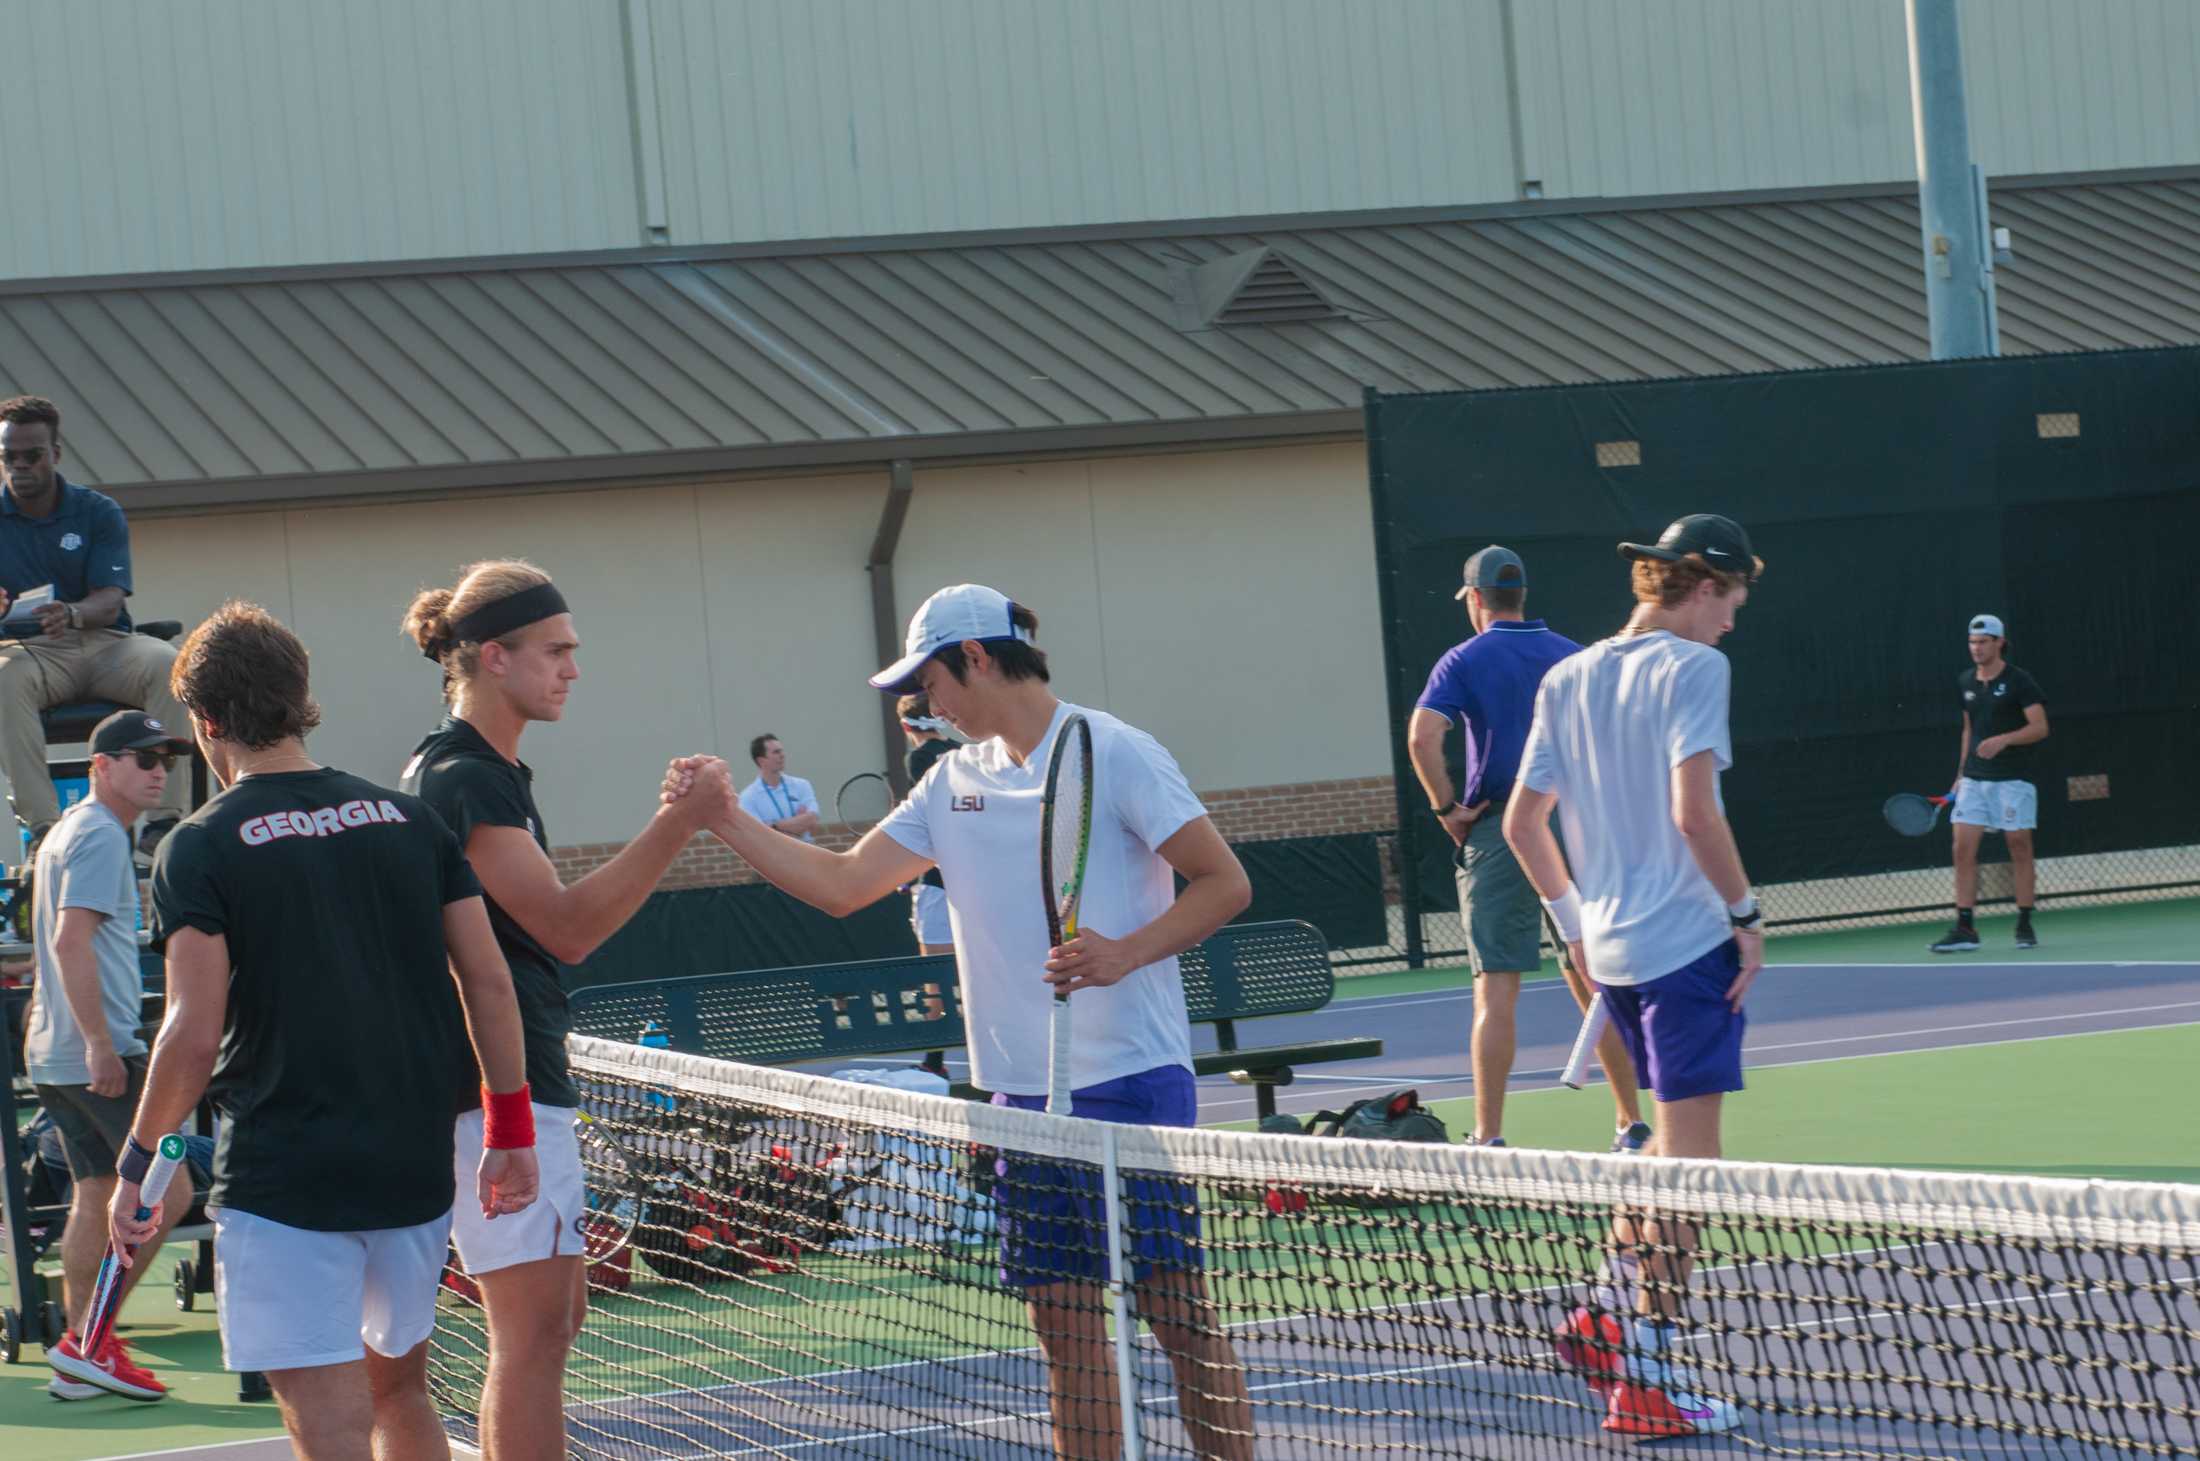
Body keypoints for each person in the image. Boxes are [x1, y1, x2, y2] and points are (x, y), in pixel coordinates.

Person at [665, 583, 1256, 1461]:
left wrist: (1123, 951)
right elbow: (841, 885)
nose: (923, 702)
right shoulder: (952, 781)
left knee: (1177, 1314)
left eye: (930, 679)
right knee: (1065, 1328)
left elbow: (1225, 881)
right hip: (1018, 1097)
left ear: (976, 656)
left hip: (1130, 1080)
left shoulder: (1116, 750)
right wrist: (721, 821)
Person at [110, 601, 539, 1461]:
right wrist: (510, 1132)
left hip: (286, 1180)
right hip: (412, 1170)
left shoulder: (198, 845)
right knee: (402, 1393)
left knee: (331, 1427)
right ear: (301, 697)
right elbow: (489, 981)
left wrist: (136, 1169)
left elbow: (194, 1033)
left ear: (206, 720)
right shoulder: (410, 820)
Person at [399, 560, 736, 1460]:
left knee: (553, 1319)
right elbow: (568, 928)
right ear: (493, 657)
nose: (572, 669)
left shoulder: (481, 772)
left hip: (506, 1083)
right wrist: (683, 819)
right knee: (535, 1334)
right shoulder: (465, 778)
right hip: (495, 1091)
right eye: (555, 651)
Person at [1504, 514, 1765, 1439]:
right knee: (1693, 1171)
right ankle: (1646, 1374)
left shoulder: (1566, 674)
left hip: (1610, 951)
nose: (1733, 623)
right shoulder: (1697, 669)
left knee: (1660, 1154)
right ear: (1704, 587)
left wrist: (1578, 929)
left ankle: (1602, 1316)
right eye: (1733, 603)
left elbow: (1522, 824)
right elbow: (1695, 814)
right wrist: (1745, 915)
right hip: (1687, 944)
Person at [1406, 545, 1648, 1152]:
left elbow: (1423, 736)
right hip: (1573, 827)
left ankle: (1488, 1137)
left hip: (1500, 828)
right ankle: (1630, 1123)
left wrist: (1446, 810)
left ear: (1477, 600)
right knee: (1596, 975)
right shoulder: (1573, 655)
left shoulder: (1463, 658)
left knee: (1496, 987)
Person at [25, 709, 194, 1400]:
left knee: (96, 1193)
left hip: (53, 1054)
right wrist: (100, 1041)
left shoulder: (73, 831)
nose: (158, 769)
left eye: (164, 758)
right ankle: (89, 1340)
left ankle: (82, 1352)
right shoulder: (96, 833)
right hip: (91, 1052)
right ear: (102, 766)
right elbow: (70, 941)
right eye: (142, 757)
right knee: (170, 1189)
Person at [0, 396, 191, 856]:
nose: (20, 466)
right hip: (32, 653)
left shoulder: (96, 511)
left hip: (104, 642)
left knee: (170, 664)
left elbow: (109, 601)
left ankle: (163, 823)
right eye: (9, 457)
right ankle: (45, 831)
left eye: (33, 455)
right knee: (2, 678)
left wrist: (72, 613)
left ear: (56, 454)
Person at [1931, 614, 2049, 954]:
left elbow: (2040, 727)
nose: (1976, 648)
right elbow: (1968, 730)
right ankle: (1966, 926)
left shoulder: (2019, 681)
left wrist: (2005, 740)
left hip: (2012, 780)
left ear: (1999, 643)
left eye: (1983, 642)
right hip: (1974, 780)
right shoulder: (1965, 681)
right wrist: (1960, 773)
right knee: (1962, 849)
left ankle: (2024, 921)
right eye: (1972, 642)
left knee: (2019, 846)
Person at [899, 691, 956, 1078]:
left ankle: (935, 1064)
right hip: (971, 881)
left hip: (937, 884)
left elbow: (929, 821)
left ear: (906, 727)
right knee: (974, 973)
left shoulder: (917, 759)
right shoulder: (961, 751)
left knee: (934, 977)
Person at [739, 733, 820, 841]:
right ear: (761, 760)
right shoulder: (748, 797)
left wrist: (774, 826)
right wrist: (799, 823)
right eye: (776, 752)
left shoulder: (802, 785)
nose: (782, 755)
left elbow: (812, 822)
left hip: (808, 855)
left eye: (781, 751)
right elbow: (760, 837)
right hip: (774, 857)